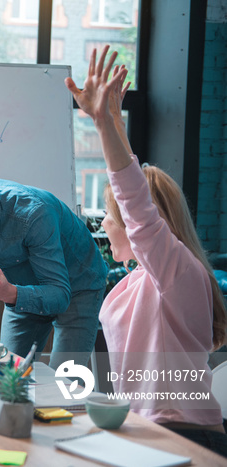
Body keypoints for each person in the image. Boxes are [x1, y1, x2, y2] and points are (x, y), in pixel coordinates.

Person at [66, 45, 227, 457]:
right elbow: (136, 195)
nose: (104, 223)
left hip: (185, 437)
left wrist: (103, 126)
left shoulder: (178, 273)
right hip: (142, 428)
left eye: (110, 215)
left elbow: (137, 204)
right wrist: (115, 122)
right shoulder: (142, 277)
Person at [0, 152, 108, 369]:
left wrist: (9, 293)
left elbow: (61, 295)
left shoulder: (33, 214)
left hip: (78, 286)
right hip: (21, 289)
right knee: (8, 377)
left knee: (63, 386)